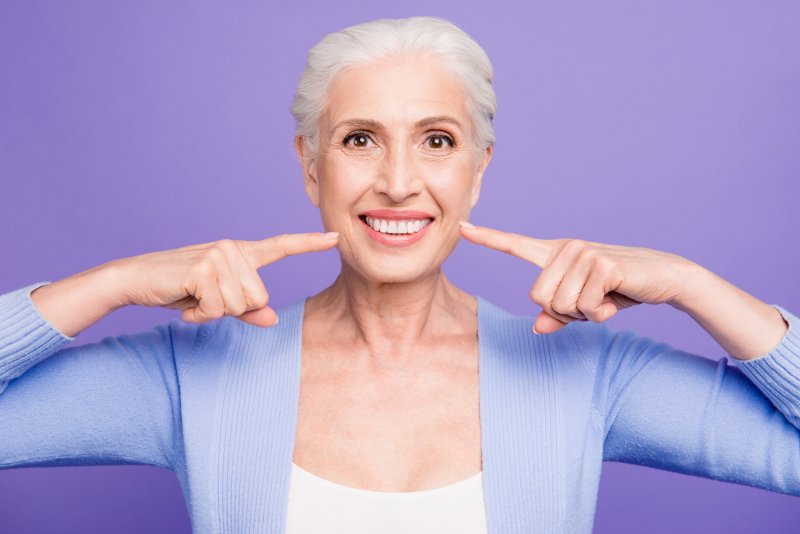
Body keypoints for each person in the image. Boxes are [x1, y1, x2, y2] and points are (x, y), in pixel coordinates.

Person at [1, 15, 798, 534]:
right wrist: (111, 282)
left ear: (478, 172)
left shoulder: (584, 375)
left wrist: (694, 284)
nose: (397, 182)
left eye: (437, 141)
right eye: (358, 140)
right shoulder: (195, 375)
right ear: (310, 167)